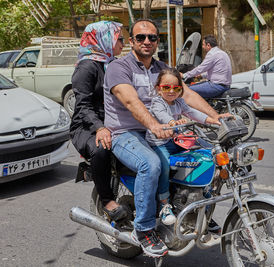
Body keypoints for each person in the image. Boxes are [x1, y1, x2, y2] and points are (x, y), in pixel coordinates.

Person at [103, 19, 225, 257]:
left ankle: (198, 212)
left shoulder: (162, 68)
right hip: (126, 133)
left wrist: (217, 117)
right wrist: (155, 124)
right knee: (151, 164)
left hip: (160, 130)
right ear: (131, 42)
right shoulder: (119, 68)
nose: (147, 41)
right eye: (141, 37)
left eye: (152, 37)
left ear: (158, 41)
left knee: (205, 155)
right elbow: (131, 101)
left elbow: (187, 95)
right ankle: (145, 228)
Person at [70, 21, 126, 221]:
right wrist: (100, 128)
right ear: (103, 39)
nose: (122, 42)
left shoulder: (112, 63)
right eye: (119, 38)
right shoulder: (87, 67)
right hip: (86, 126)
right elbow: (83, 106)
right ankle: (107, 200)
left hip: (111, 122)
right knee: (101, 149)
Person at [146, 68, 216, 226]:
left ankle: (200, 200)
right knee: (163, 165)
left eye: (176, 88)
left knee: (204, 156)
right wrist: (172, 123)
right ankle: (164, 205)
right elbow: (162, 115)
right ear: (159, 88)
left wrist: (214, 120)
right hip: (158, 143)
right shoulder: (157, 102)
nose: (171, 91)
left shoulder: (179, 101)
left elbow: (192, 113)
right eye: (166, 87)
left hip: (175, 140)